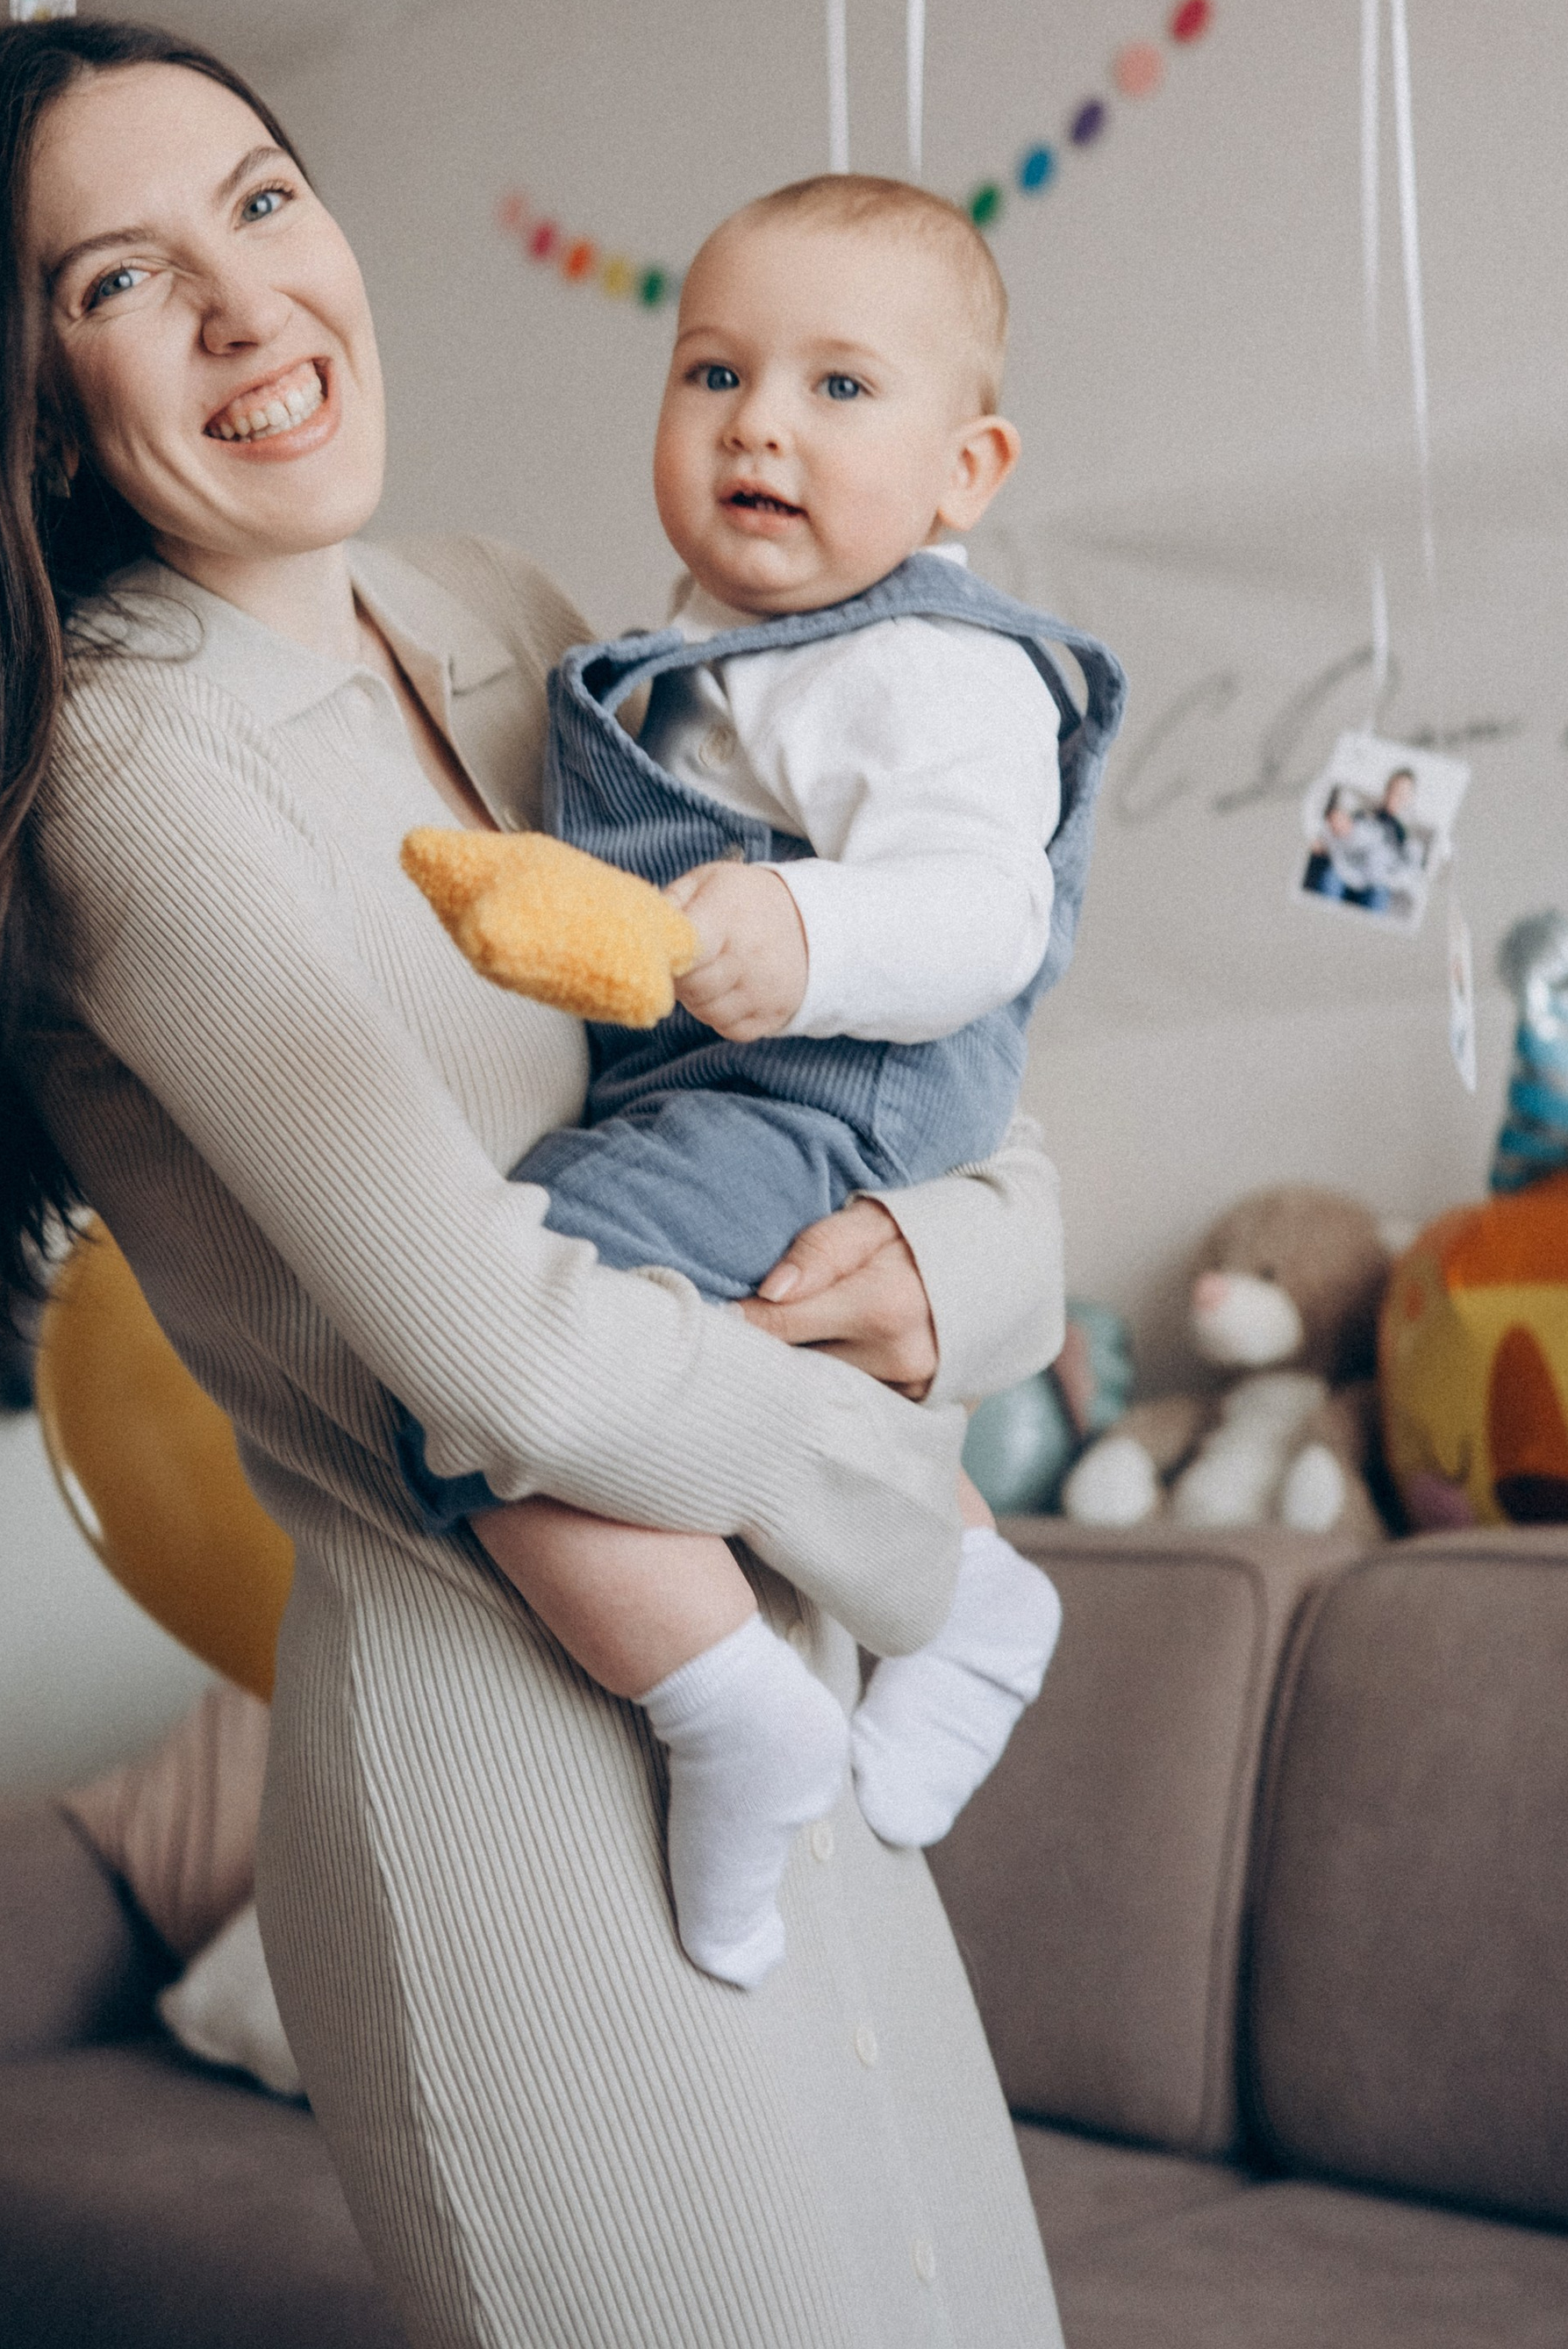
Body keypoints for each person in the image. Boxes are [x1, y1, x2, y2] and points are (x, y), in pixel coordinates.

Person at [0, 18, 1068, 2349]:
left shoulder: (527, 617)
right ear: (32, 402)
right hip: (519, 1754)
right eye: (122, 277)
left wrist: (958, 1269)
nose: (246, 305)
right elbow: (489, 1339)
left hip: (801, 1720)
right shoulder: (124, 772)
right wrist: (924, 1539)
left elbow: (934, 1062)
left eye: (257, 201)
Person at [402, 175, 1121, 1984]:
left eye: (837, 387)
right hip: (747, 1085)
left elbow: (983, 904)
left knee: (498, 1335)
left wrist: (791, 935)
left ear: (967, 473)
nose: (759, 425)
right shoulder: (719, 648)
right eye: (712, 372)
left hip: (831, 1086)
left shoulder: (922, 665)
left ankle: (726, 1700)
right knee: (706, 1352)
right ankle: (964, 1596)